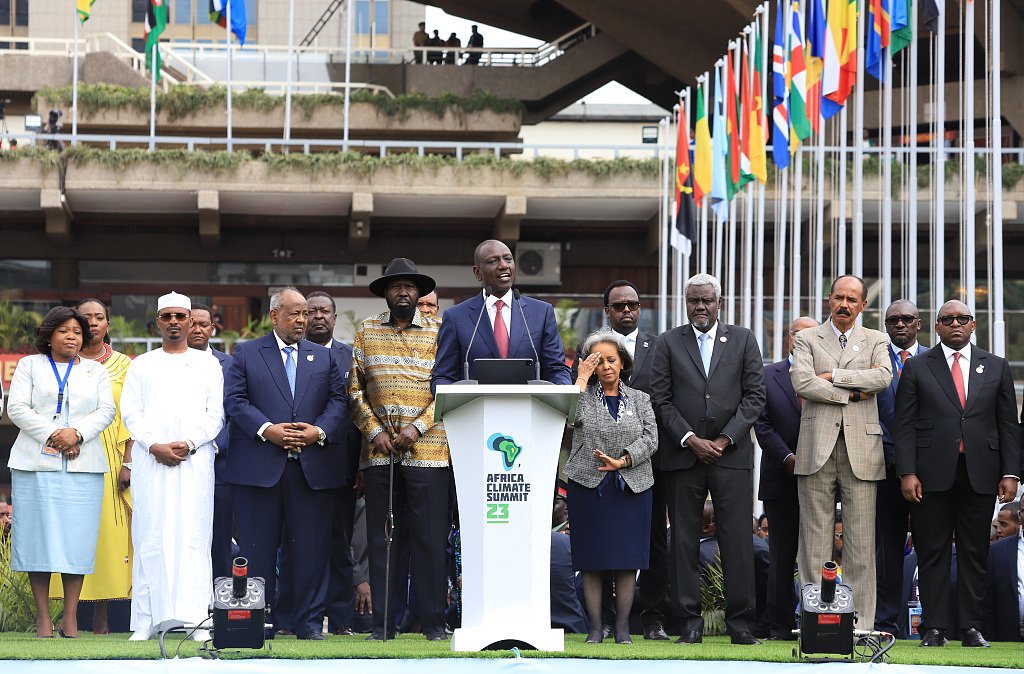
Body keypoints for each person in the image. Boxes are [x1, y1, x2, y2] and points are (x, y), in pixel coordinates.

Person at [223, 287, 347, 640]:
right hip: (259, 469)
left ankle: (308, 624)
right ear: (274, 315)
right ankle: (259, 622)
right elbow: (234, 401)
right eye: (295, 314)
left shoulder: (323, 358)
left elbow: (339, 401)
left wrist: (318, 432)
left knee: (310, 551)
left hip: (310, 470)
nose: (302, 320)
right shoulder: (246, 352)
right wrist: (267, 430)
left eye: (305, 314)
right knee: (257, 551)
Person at [895, 299, 1020, 648]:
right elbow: (903, 426)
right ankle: (933, 627)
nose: (955, 324)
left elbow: (1008, 425)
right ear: (936, 327)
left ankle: (970, 627)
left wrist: (1011, 472)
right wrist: (907, 472)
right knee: (932, 551)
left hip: (981, 474)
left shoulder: (995, 366)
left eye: (962, 319)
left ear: (973, 325)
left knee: (974, 552)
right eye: (947, 319)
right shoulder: (918, 367)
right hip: (929, 476)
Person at [649, 273, 766, 645]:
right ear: (686, 303)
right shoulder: (668, 342)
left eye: (707, 301)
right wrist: (689, 439)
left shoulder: (744, 339)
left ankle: (741, 624)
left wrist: (724, 438)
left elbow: (754, 397)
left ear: (720, 302)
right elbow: (660, 399)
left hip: (730, 457)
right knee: (682, 541)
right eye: (694, 301)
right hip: (683, 457)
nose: (700, 307)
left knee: (737, 540)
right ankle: (688, 623)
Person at [349, 258, 449, 641]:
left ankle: (433, 625)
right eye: (395, 286)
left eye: (409, 286)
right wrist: (375, 432)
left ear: (419, 292)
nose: (403, 292)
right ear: (386, 293)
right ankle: (384, 626)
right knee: (384, 540)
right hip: (379, 453)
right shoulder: (366, 330)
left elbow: (447, 387)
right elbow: (354, 389)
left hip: (430, 451)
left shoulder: (441, 331)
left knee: (428, 539)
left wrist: (416, 427)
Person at [120, 292, 225, 642]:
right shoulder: (142, 364)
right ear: (158, 322)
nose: (175, 322)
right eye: (168, 317)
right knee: (151, 536)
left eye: (182, 316)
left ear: (191, 321)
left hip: (195, 463)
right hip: (152, 462)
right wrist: (154, 445)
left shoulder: (208, 364)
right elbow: (131, 413)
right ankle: (148, 619)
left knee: (194, 537)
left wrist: (191, 443)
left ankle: (197, 619)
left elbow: (216, 415)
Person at [6, 306, 115, 639]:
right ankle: (42, 618)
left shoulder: (95, 372)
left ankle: (70, 617)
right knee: (38, 540)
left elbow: (106, 410)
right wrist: (55, 434)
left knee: (76, 542)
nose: (72, 336)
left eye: (78, 332)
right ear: (49, 334)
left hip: (83, 465)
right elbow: (17, 408)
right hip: (34, 464)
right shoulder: (29, 365)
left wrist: (76, 433)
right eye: (65, 330)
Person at [790, 275, 891, 631]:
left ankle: (860, 625)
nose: (844, 304)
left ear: (863, 305)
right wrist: (850, 393)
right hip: (816, 447)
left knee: (861, 547)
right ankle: (816, 624)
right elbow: (802, 382)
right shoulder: (806, 338)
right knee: (813, 546)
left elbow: (883, 378)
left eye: (852, 299)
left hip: (863, 451)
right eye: (838, 298)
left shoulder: (877, 339)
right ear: (828, 300)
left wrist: (834, 376)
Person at [570, 280, 665, 640]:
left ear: (622, 363)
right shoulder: (581, 393)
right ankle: (595, 629)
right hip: (589, 485)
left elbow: (651, 439)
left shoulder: (640, 398)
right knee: (592, 561)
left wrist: (624, 461)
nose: (606, 366)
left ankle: (624, 629)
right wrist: (579, 379)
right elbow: (569, 419)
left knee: (628, 562)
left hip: (632, 487)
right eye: (599, 361)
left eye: (612, 360)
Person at [46, 299, 134, 635]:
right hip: (63, 454)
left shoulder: (124, 364)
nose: (92, 323)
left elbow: (130, 414)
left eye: (99, 318)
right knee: (70, 531)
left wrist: (128, 461)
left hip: (109, 456)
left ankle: (102, 615)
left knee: (106, 537)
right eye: (86, 318)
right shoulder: (60, 362)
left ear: (108, 324)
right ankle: (69, 614)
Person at [431, 239, 571, 391]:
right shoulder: (456, 317)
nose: (504, 265)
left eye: (508, 259)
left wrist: (561, 394)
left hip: (530, 409)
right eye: (493, 261)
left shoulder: (541, 313)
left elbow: (557, 370)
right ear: (478, 273)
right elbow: (442, 377)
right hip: (475, 411)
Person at [753, 315, 818, 640]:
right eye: (797, 334)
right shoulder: (767, 375)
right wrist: (787, 458)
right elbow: (761, 424)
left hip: (822, 479)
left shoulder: (829, 374)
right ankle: (778, 624)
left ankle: (817, 621)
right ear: (789, 338)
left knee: (818, 554)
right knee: (781, 554)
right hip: (781, 478)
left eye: (810, 334)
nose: (802, 339)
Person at [304, 290, 363, 636]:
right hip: (298, 464)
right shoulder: (291, 356)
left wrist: (360, 466)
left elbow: (357, 412)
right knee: (299, 545)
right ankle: (297, 615)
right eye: (311, 312)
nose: (318, 317)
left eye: (325, 311)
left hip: (342, 465)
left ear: (335, 318)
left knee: (341, 545)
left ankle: (341, 620)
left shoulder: (351, 356)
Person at [874, 300, 928, 635]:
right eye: (893, 320)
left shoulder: (935, 361)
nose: (900, 325)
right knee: (886, 549)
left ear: (918, 323)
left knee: (930, 545)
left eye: (907, 319)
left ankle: (934, 624)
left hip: (926, 470)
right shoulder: (873, 359)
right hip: (880, 468)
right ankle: (885, 621)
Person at [186, 302, 234, 581]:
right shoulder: (164, 363)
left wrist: (213, 445)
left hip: (220, 463)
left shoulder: (229, 364)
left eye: (204, 324)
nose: (197, 329)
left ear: (212, 329)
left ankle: (218, 605)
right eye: (192, 323)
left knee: (219, 538)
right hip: (179, 461)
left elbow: (232, 412)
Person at [983, 499, 1023, 642]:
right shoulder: (996, 551)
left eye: (1004, 524)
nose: (999, 529)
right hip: (1007, 636)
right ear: (1020, 515)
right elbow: (988, 601)